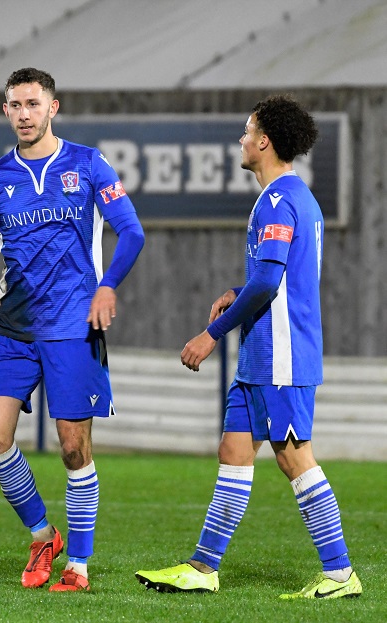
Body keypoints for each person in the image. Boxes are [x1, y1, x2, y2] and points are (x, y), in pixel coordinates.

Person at [134, 95, 362, 600]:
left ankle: (341, 573)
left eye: (246, 130)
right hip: (261, 355)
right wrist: (239, 292)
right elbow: (268, 281)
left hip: (281, 354)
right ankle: (203, 567)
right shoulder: (285, 198)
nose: (240, 138)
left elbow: (268, 285)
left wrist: (210, 335)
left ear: (264, 142)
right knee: (234, 451)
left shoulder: (281, 199)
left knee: (294, 457)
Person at [0, 67, 145, 592]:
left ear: (53, 107)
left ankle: (79, 567)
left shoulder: (87, 164)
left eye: (32, 103)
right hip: (15, 328)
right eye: (14, 105)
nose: (23, 114)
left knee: (73, 449)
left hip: (75, 326)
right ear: (5, 112)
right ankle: (44, 533)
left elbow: (132, 232)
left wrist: (108, 284)